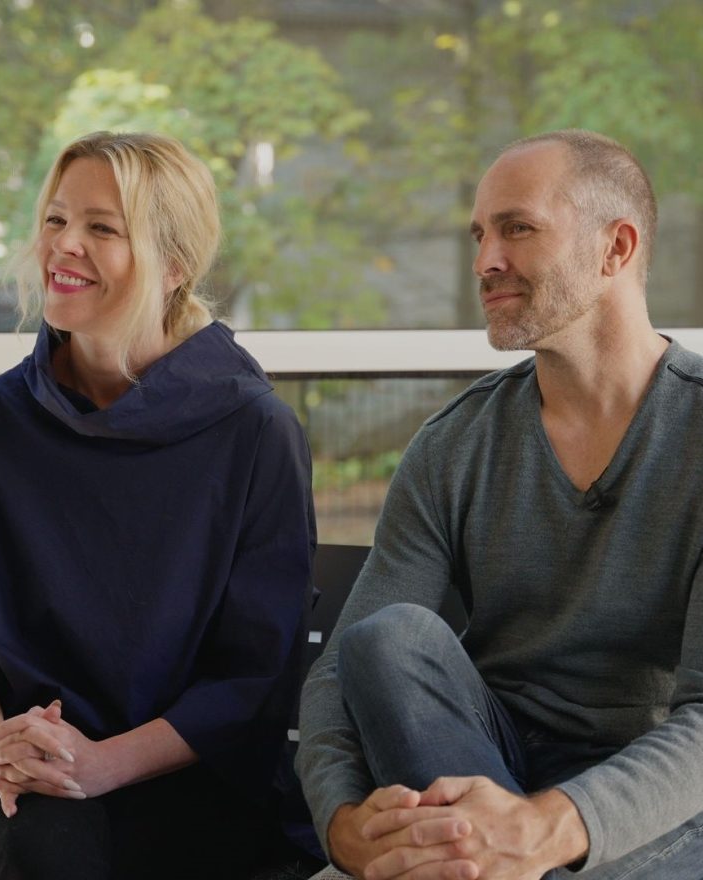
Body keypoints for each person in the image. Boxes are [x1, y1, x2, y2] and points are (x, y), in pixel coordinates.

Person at [295, 128, 703, 880]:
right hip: (469, 773)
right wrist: (344, 827)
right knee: (390, 639)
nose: (486, 261)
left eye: (518, 229)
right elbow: (338, 677)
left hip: (652, 801)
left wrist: (546, 830)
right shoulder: (453, 445)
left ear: (616, 249)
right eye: (480, 234)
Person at [0, 130, 317, 880]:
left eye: (101, 228)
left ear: (175, 266)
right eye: (55, 220)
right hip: (13, 766)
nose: (64, 245)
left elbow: (253, 676)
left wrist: (99, 765)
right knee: (44, 831)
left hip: (185, 774)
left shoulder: (253, 430)